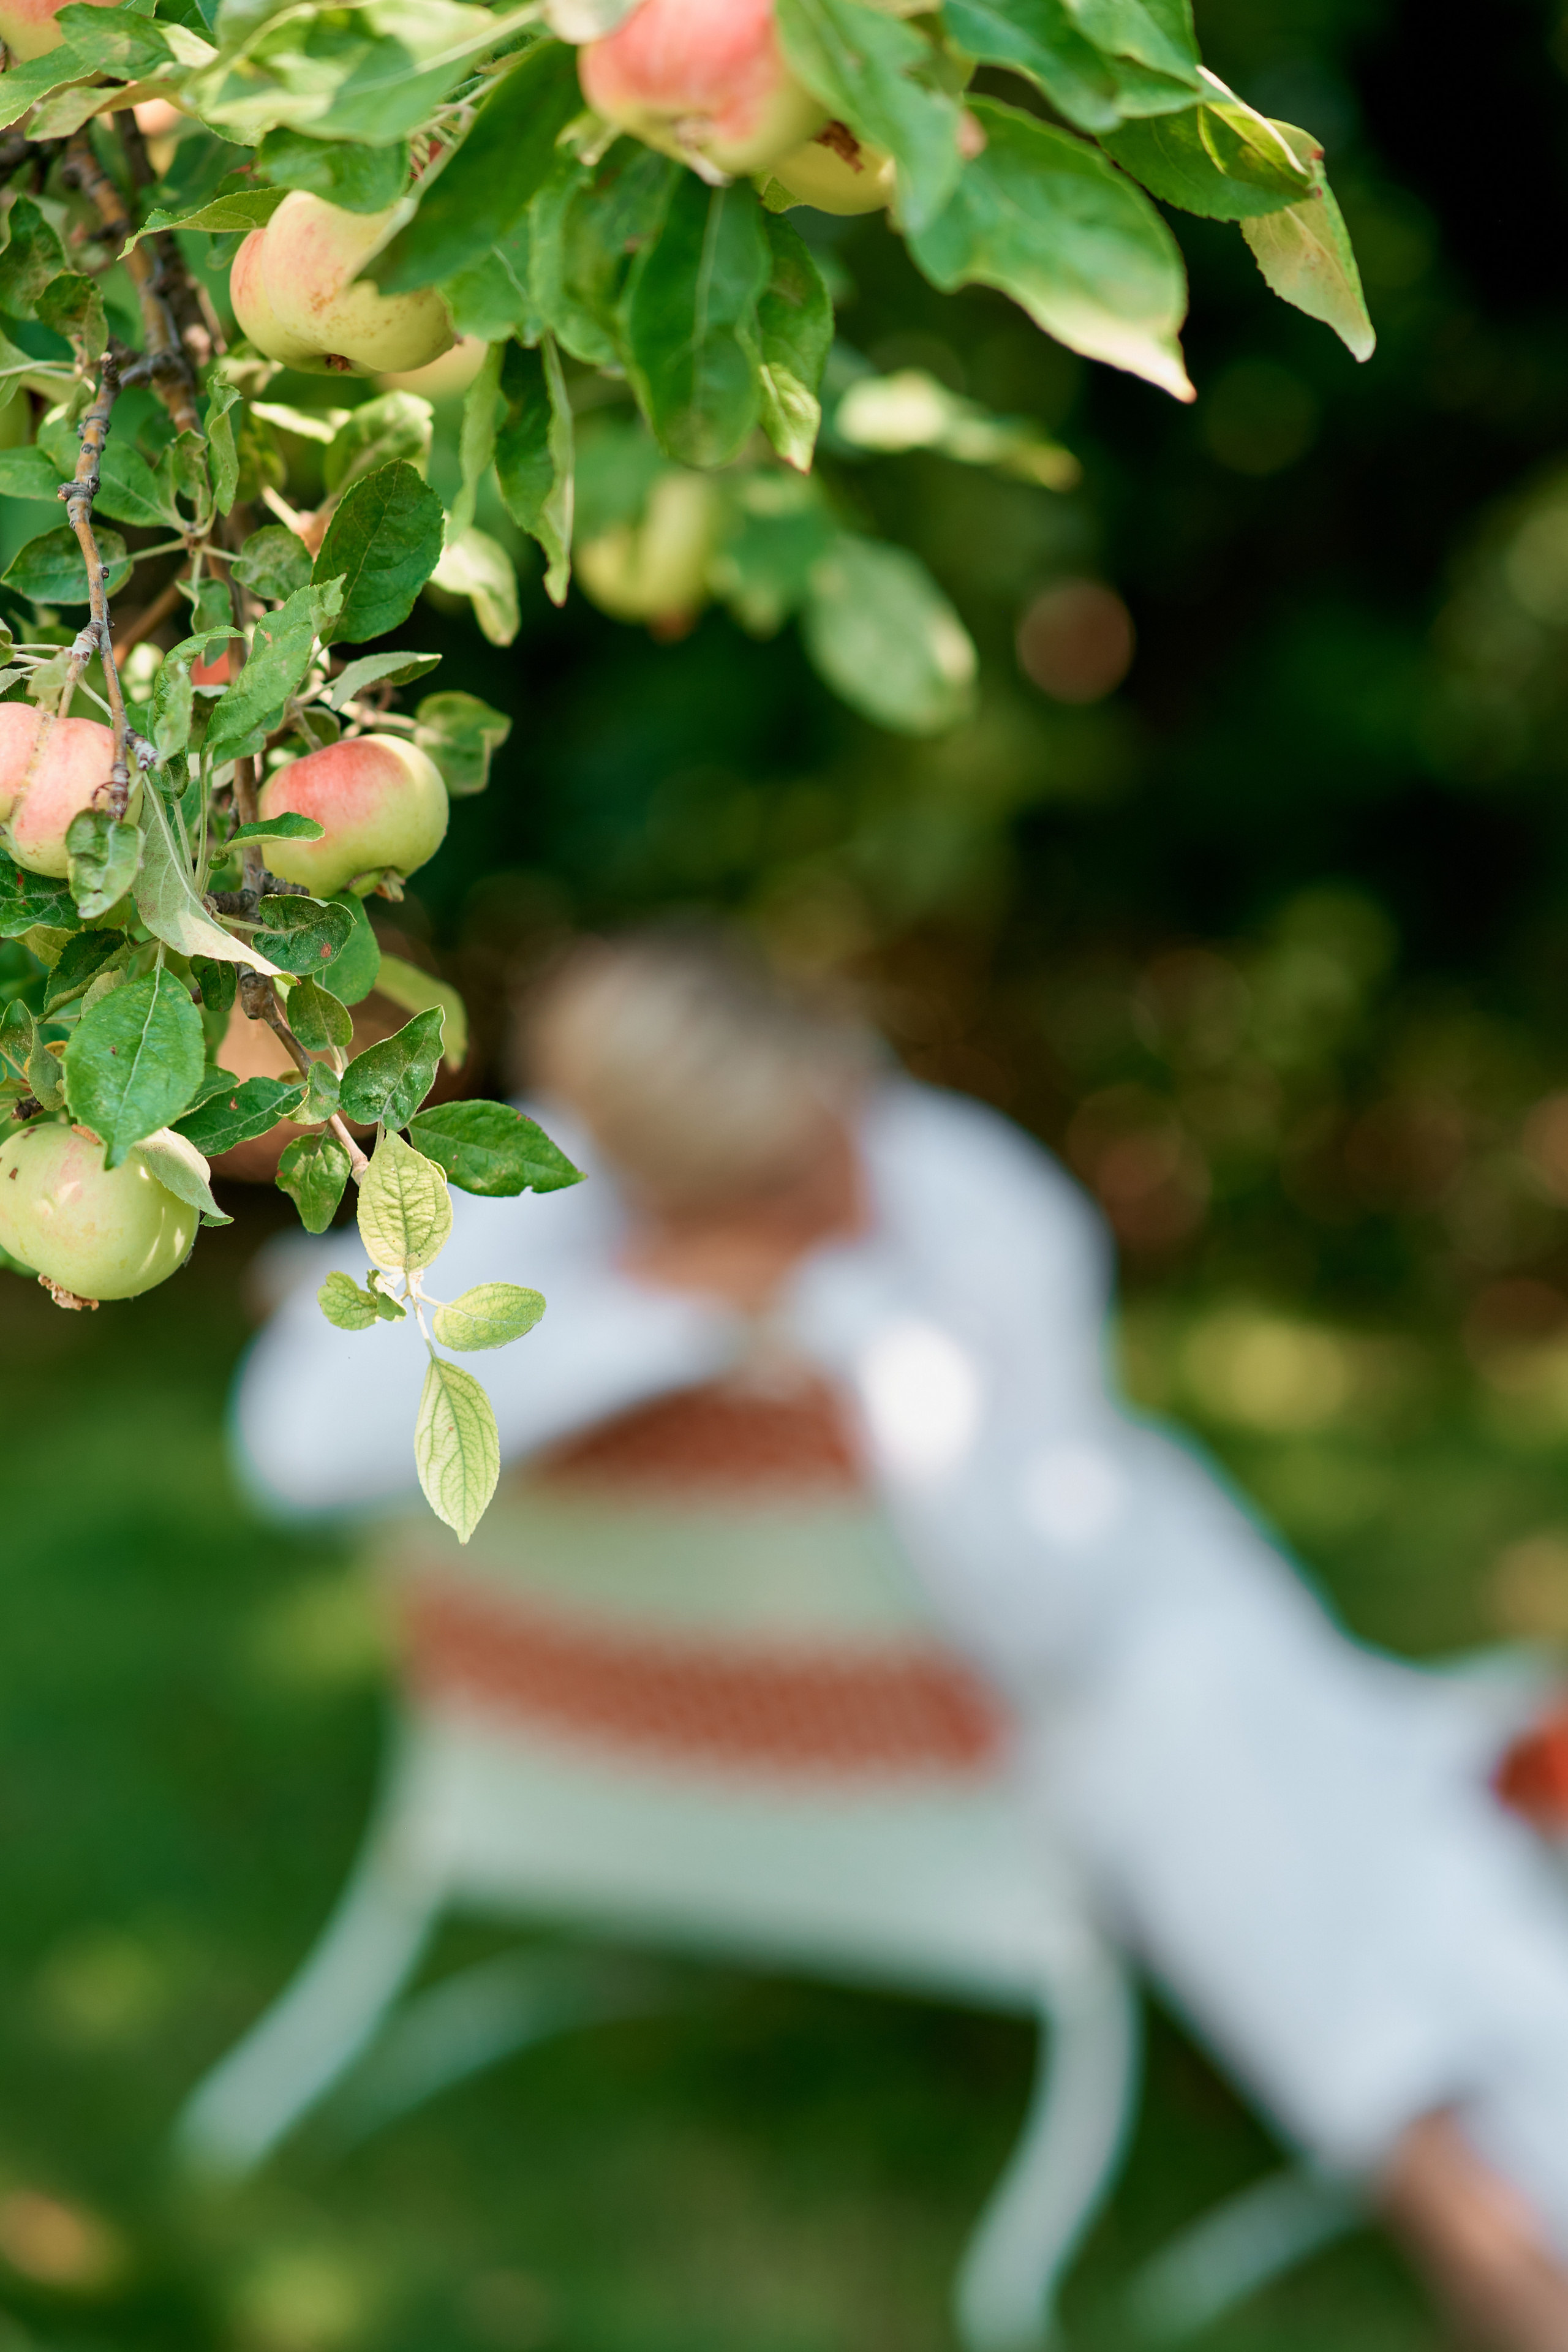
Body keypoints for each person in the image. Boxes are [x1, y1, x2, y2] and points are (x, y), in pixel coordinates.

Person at [236, 928, 1568, 2351]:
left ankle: (1463, 2182)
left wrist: (744, 1307)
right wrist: (728, 1313)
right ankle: (1474, 2184)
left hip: (1075, 1639)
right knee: (1215, 1724)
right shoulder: (576, 1212)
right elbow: (294, 1449)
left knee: (1240, 1720)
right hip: (983, 1726)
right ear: (652, 1169)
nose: (845, 1182)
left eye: (835, 1126)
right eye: (789, 1176)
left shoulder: (957, 1200)